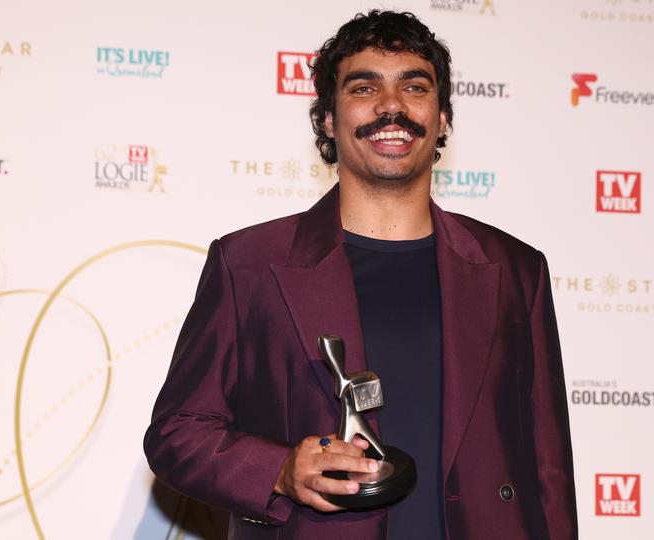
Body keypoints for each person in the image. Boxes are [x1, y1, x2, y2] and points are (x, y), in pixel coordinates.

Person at [144, 10, 577, 540]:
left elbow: (549, 468)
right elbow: (177, 434)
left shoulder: (515, 270)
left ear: (442, 118)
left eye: (414, 87)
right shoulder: (249, 264)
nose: (391, 105)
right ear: (328, 119)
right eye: (364, 86)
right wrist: (279, 470)